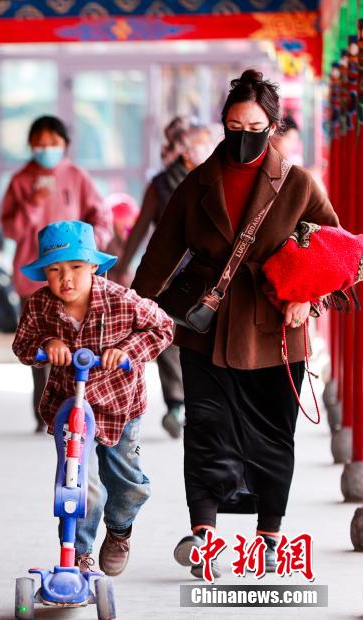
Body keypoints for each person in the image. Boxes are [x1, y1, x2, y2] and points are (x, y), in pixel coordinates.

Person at [131, 70, 340, 579]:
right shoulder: (197, 182)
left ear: (273, 127)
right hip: (206, 327)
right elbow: (159, 256)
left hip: (275, 327)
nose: (243, 136)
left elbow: (335, 249)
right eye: (234, 126)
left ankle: (269, 535)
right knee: (206, 428)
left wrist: (306, 296)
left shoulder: (297, 183)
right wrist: (130, 314)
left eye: (254, 127)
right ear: (223, 123)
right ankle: (203, 534)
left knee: (272, 433)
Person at [13, 220, 174, 576]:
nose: (66, 279)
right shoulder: (39, 305)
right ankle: (78, 553)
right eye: (54, 270)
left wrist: (127, 350)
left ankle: (119, 529)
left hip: (120, 405)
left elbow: (163, 327)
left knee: (126, 482)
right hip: (70, 406)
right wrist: (46, 344)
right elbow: (22, 345)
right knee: (77, 482)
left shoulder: (120, 299)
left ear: (92, 267)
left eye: (75, 267)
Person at [1, 115, 113, 432]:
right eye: (40, 143)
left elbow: (101, 216)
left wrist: (91, 249)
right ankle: (44, 412)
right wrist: (33, 204)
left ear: (65, 144)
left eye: (53, 143)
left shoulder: (77, 176)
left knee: (76, 344)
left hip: (74, 281)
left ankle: (77, 409)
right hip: (32, 278)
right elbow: (11, 229)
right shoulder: (21, 180)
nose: (46, 148)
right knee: (39, 346)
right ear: (30, 145)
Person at [112, 120, 214, 439]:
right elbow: (140, 228)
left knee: (203, 334)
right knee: (168, 335)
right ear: (185, 150)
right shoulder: (160, 185)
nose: (208, 149)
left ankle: (201, 400)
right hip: (170, 275)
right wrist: (123, 267)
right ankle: (176, 402)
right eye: (201, 143)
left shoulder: (215, 179)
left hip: (209, 274)